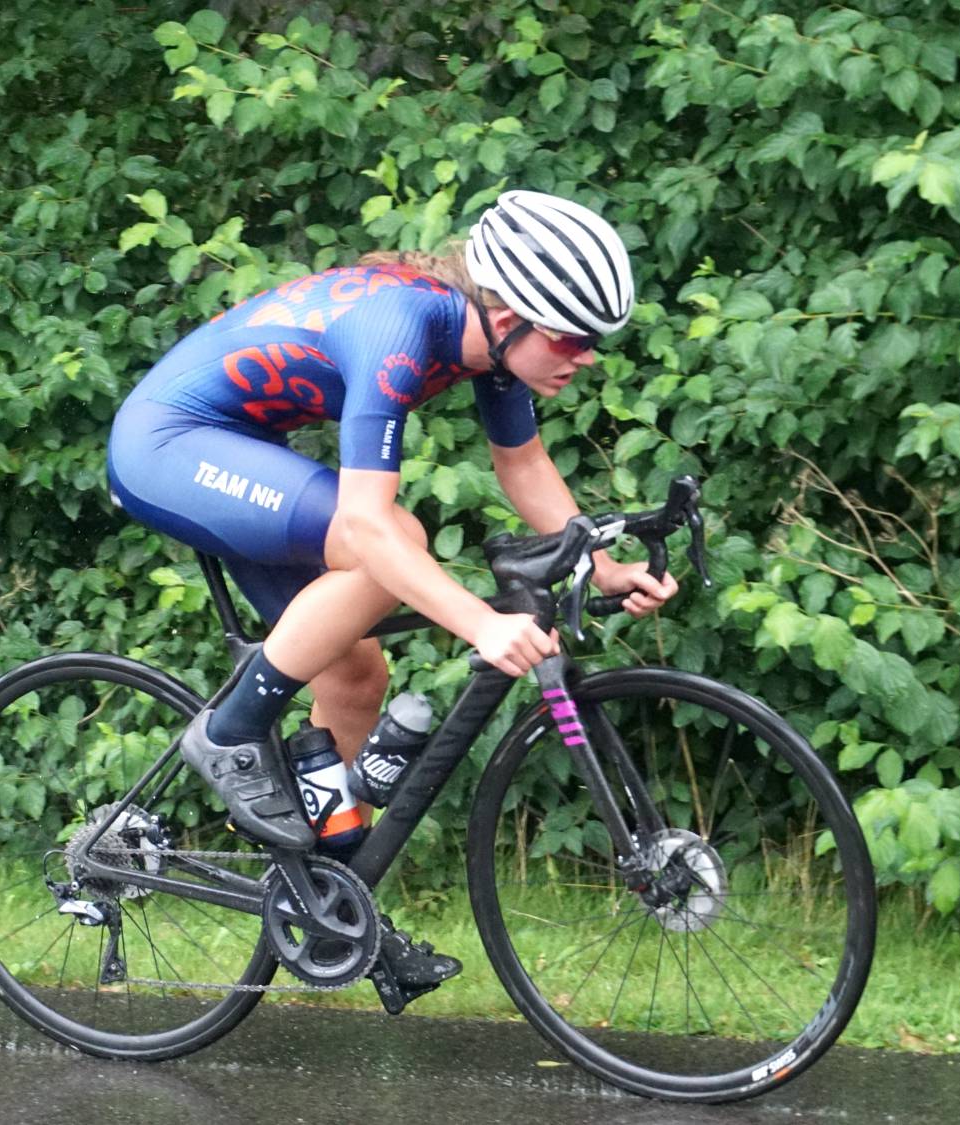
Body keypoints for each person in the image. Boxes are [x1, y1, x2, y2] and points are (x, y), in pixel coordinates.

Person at [105, 190, 679, 1011]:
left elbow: (523, 471)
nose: (585, 355)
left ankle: (329, 901)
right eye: (572, 334)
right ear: (512, 311)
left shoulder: (491, 342)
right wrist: (481, 621)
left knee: (355, 678)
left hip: (237, 447)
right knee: (389, 538)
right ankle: (228, 734)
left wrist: (606, 564)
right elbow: (370, 528)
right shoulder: (400, 327)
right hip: (167, 443)